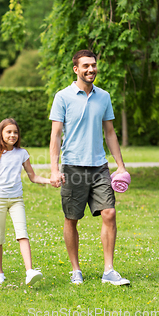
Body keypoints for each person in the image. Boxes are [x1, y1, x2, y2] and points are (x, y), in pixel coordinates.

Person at [49, 49, 130, 286]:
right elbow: (55, 136)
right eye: (85, 66)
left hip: (99, 167)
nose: (91, 69)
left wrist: (121, 166)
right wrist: (55, 170)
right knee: (71, 218)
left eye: (93, 65)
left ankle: (109, 270)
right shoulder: (62, 97)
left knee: (110, 213)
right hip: (72, 167)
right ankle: (76, 270)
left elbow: (110, 132)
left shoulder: (104, 96)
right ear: (76, 69)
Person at [0, 118, 51, 286]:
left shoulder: (22, 153)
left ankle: (29, 271)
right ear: (1, 133)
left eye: (15, 132)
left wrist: (50, 181)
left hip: (16, 200)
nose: (12, 135)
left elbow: (33, 177)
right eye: (8, 132)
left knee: (22, 233)